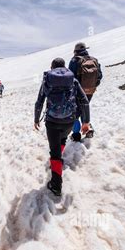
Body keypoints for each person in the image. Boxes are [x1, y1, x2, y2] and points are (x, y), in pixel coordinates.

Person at [34, 58, 90, 196]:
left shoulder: (47, 80)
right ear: (64, 67)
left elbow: (40, 101)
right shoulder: (73, 80)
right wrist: (86, 121)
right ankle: (57, 162)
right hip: (69, 120)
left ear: (52, 67)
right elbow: (84, 101)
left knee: (54, 152)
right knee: (62, 141)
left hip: (52, 121)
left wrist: (36, 119)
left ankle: (56, 185)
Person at [68, 42, 102, 141]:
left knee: (75, 113)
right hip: (90, 91)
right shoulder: (94, 60)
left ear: (76, 51)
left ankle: (76, 135)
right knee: (85, 109)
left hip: (78, 91)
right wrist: (93, 86)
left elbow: (71, 77)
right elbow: (99, 76)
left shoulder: (75, 60)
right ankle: (88, 129)